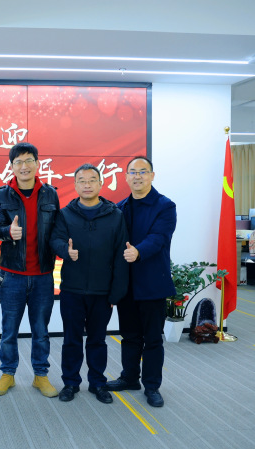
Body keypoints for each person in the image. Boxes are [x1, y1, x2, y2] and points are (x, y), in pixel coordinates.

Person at [51, 163, 128, 404]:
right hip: (72, 290)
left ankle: (97, 383)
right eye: (82, 181)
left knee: (97, 340)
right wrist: (65, 251)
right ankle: (70, 383)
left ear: (100, 184)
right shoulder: (65, 214)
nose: (87, 185)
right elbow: (55, 239)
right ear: (75, 185)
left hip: (102, 292)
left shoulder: (115, 215)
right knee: (71, 340)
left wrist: (116, 293)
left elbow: (121, 255)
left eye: (92, 180)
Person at [105, 156, 176, 408]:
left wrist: (138, 251)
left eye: (143, 172)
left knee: (153, 339)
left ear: (152, 176)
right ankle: (129, 378)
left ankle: (152, 386)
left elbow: (159, 237)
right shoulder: (119, 207)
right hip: (127, 285)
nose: (138, 176)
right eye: (133, 172)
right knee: (129, 336)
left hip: (153, 284)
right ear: (126, 177)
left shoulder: (165, 206)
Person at [0, 142, 60, 398]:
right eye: (18, 162)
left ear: (37, 163)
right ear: (11, 167)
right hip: (12, 275)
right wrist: (8, 232)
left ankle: (40, 375)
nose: (24, 166)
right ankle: (7, 374)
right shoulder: (2, 195)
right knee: (9, 330)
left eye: (29, 160)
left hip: (42, 275)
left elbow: (57, 231)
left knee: (41, 330)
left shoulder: (51, 194)